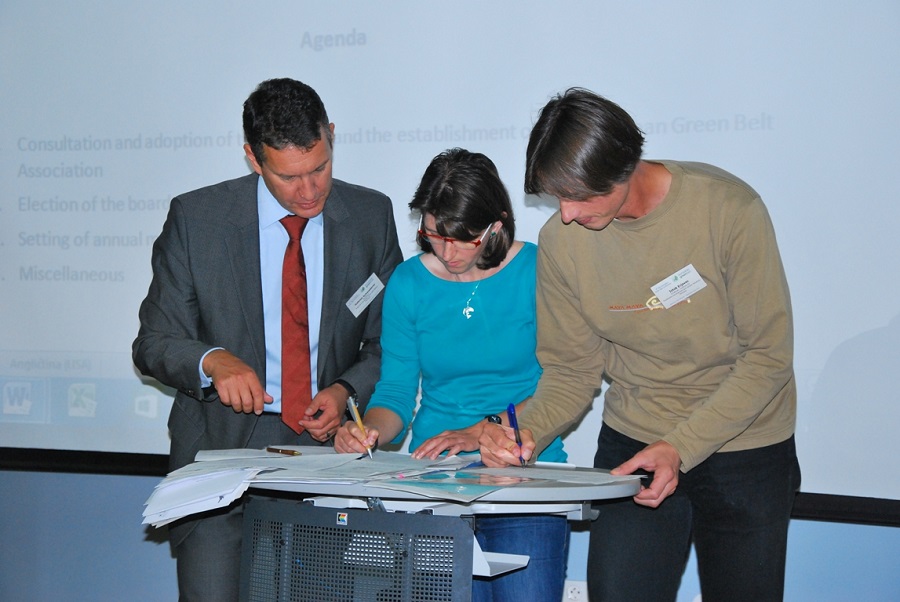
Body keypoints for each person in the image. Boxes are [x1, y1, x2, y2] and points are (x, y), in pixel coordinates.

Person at [480, 89, 801, 602]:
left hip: (746, 445)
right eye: (556, 197)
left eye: (578, 196)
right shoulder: (562, 242)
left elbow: (768, 358)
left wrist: (682, 447)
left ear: (624, 167)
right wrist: (525, 432)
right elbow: (571, 371)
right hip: (637, 440)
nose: (566, 214)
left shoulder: (728, 209)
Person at [132, 78, 403, 601]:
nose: (309, 190)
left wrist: (345, 390)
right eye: (289, 177)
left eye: (319, 168)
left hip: (325, 452)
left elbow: (384, 342)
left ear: (331, 135)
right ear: (253, 159)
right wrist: (213, 361)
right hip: (220, 452)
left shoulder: (370, 217)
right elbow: (154, 340)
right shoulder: (198, 220)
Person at [335, 148, 569, 602]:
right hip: (435, 479)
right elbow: (396, 392)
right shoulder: (408, 282)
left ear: (497, 225)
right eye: (435, 235)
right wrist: (367, 432)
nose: (448, 252)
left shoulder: (537, 270)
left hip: (526, 470)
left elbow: (562, 382)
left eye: (463, 240)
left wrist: (479, 430)